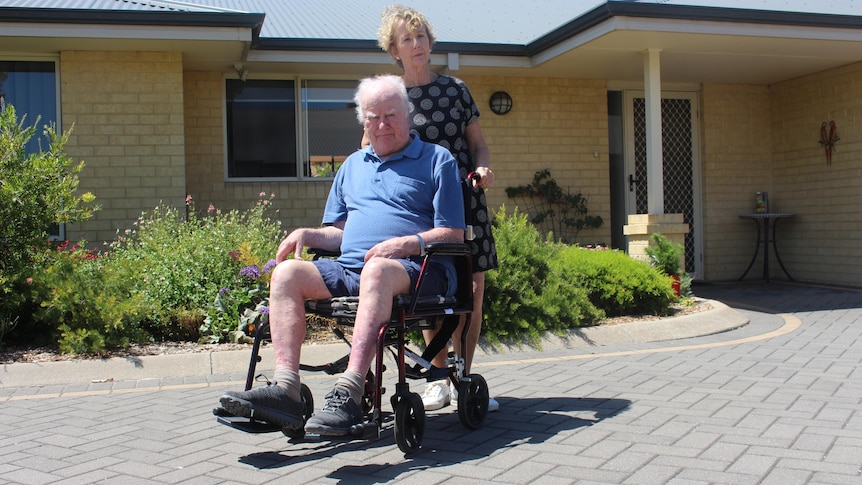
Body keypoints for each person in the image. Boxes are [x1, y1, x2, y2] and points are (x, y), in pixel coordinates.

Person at [219, 74, 466, 436]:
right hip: (354, 269)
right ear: (363, 120)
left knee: (378, 270)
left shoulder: (436, 160)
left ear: (408, 114)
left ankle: (349, 391)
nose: (381, 125)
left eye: (391, 115)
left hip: (419, 269)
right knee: (287, 274)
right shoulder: (352, 165)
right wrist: (307, 233)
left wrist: (406, 242)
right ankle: (286, 389)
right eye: (373, 117)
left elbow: (453, 233)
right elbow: (340, 234)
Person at [372, 5, 500, 411]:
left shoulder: (456, 90)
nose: (417, 44)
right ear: (394, 49)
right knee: (432, 292)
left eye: (422, 36)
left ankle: (465, 378)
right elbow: (369, 145)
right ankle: (438, 379)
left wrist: (483, 166)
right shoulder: (391, 97)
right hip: (421, 206)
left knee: (472, 291)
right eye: (407, 39)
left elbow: (476, 141)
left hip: (465, 200)